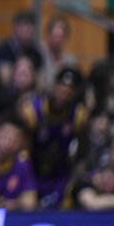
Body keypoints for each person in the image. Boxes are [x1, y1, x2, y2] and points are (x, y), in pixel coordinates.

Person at [20, 66, 88, 207]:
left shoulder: (79, 115)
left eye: (69, 91)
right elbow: (23, 153)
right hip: (33, 171)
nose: (63, 95)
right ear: (53, 86)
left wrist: (75, 174)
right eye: (61, 89)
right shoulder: (31, 112)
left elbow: (81, 150)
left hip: (60, 173)